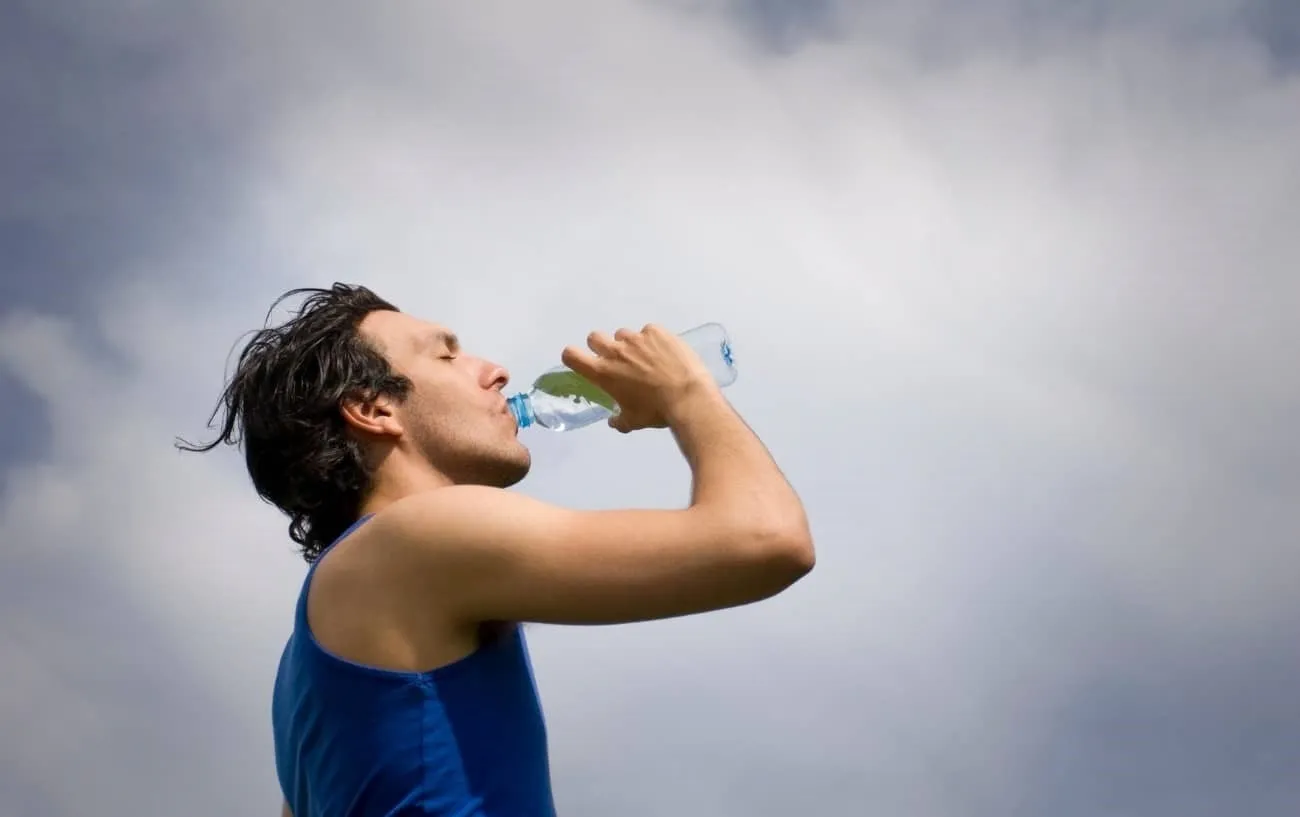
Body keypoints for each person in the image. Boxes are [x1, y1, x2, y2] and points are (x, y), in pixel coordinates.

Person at [180, 283, 815, 817]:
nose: (496, 370)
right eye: (447, 355)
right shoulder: (418, 538)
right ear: (374, 409)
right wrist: (687, 391)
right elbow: (766, 539)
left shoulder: (302, 672)